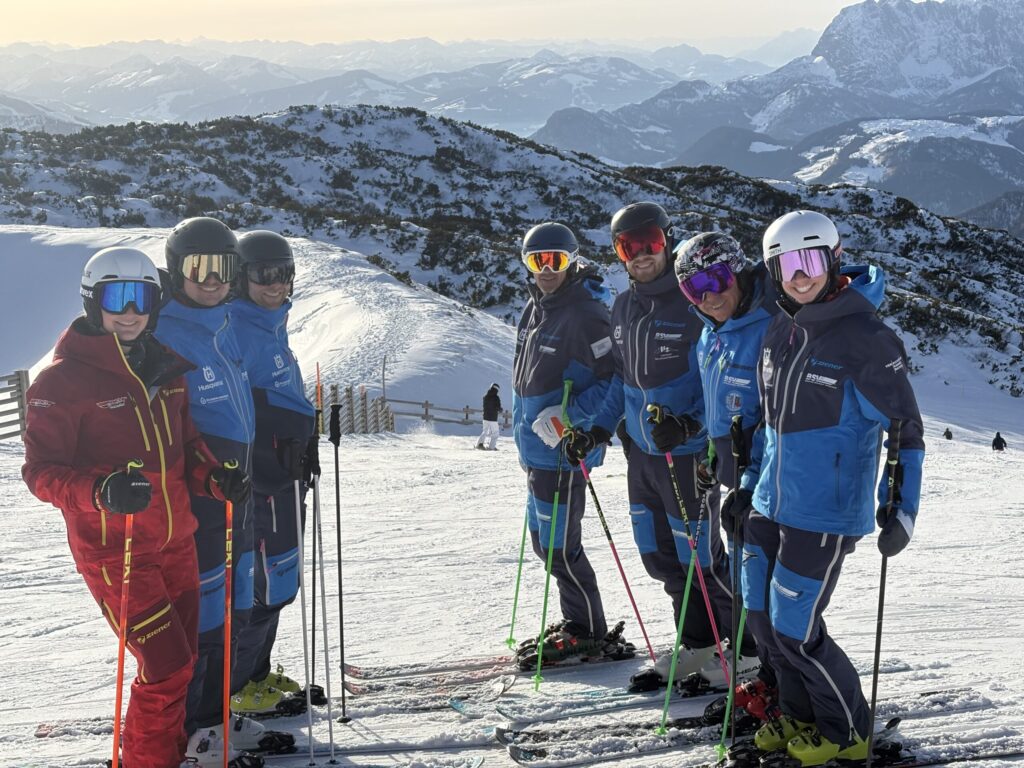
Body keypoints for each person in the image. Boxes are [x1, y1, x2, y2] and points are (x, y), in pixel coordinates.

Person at [22, 247, 242, 768]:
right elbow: (40, 474)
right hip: (115, 551)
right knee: (165, 667)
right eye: (115, 297)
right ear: (92, 301)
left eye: (141, 297)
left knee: (181, 666)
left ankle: (158, 754)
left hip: (176, 542)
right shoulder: (62, 382)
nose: (129, 311)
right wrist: (102, 493)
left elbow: (186, 447)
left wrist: (215, 477)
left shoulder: (164, 369)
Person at [743, 210, 925, 767]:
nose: (801, 276)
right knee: (762, 624)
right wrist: (748, 484)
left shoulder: (866, 338)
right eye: (788, 264)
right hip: (769, 502)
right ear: (774, 270)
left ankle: (847, 732)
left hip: (823, 511)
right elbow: (767, 425)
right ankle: (799, 719)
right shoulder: (781, 327)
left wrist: (902, 509)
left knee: (795, 631)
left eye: (811, 261)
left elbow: (905, 429)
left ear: (833, 260)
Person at [570, 203, 756, 691]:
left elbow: (718, 376)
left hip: (690, 454)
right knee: (662, 558)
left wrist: (690, 423)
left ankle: (746, 652)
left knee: (704, 559)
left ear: (666, 240)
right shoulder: (623, 307)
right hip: (644, 458)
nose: (641, 254)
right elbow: (620, 383)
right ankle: (696, 644)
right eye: (628, 246)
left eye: (649, 241)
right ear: (617, 252)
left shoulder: (696, 301)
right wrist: (596, 429)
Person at [153, 217, 268, 766]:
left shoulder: (221, 327)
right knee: (203, 619)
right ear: (177, 269)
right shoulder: (164, 336)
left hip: (233, 492)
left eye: (224, 267)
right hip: (197, 504)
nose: (212, 279)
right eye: (198, 267)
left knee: (236, 608)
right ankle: (193, 731)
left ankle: (215, 719)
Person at [673, 230, 780, 702]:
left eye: (717, 278)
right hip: (733, 476)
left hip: (766, 482)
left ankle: (783, 677)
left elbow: (780, 420)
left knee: (770, 586)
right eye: (695, 289)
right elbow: (722, 411)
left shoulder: (770, 328)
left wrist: (751, 482)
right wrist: (709, 458)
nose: (709, 296)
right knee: (744, 579)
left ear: (737, 270)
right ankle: (764, 668)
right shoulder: (710, 334)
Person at [512, 221, 624, 665]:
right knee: (545, 544)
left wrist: (570, 415)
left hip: (564, 448)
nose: (546, 269)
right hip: (535, 452)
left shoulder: (585, 314)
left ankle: (587, 629)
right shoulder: (535, 307)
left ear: (572, 260)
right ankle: (580, 620)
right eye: (536, 260)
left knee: (559, 546)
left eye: (555, 260)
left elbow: (616, 377)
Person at [228, 230, 319, 716]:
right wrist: (267, 455)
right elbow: (233, 411)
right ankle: (237, 682)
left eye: (283, 274)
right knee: (265, 580)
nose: (276, 284)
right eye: (264, 275)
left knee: (281, 575)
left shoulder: (269, 323)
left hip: (286, 474)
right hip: (263, 480)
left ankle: (257, 670)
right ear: (242, 277)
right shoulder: (238, 329)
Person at [477, 383, 502, 450]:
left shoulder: (485, 396)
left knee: (484, 431)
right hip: (493, 418)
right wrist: (500, 409)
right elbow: (498, 407)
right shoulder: (496, 398)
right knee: (495, 433)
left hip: (485, 417)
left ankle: (479, 444)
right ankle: (491, 446)